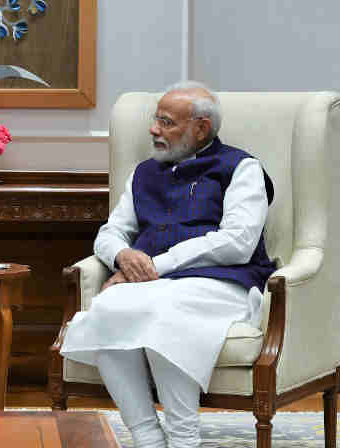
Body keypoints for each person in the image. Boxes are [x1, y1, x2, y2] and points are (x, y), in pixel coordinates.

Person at [61, 81, 276, 448]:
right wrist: (122, 257)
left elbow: (237, 243)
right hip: (152, 285)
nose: (153, 130)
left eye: (166, 122)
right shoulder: (144, 173)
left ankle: (183, 438)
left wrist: (155, 267)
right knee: (108, 306)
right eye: (155, 119)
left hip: (222, 283)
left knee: (164, 312)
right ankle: (147, 437)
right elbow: (111, 232)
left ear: (201, 128)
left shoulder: (241, 168)